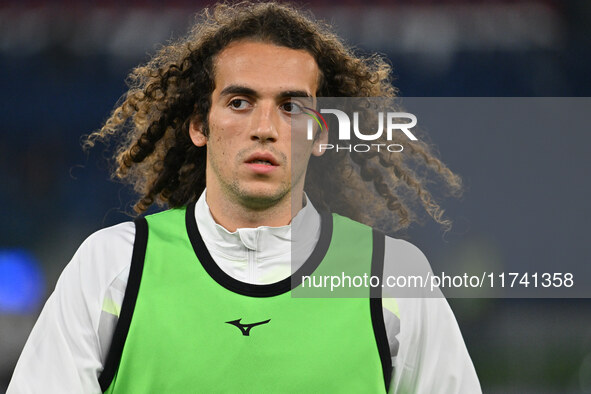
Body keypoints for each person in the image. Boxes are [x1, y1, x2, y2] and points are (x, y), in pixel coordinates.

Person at [8, 2, 480, 393]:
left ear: (321, 135)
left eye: (292, 106)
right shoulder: (112, 267)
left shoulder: (392, 275)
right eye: (239, 102)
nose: (265, 129)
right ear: (199, 124)